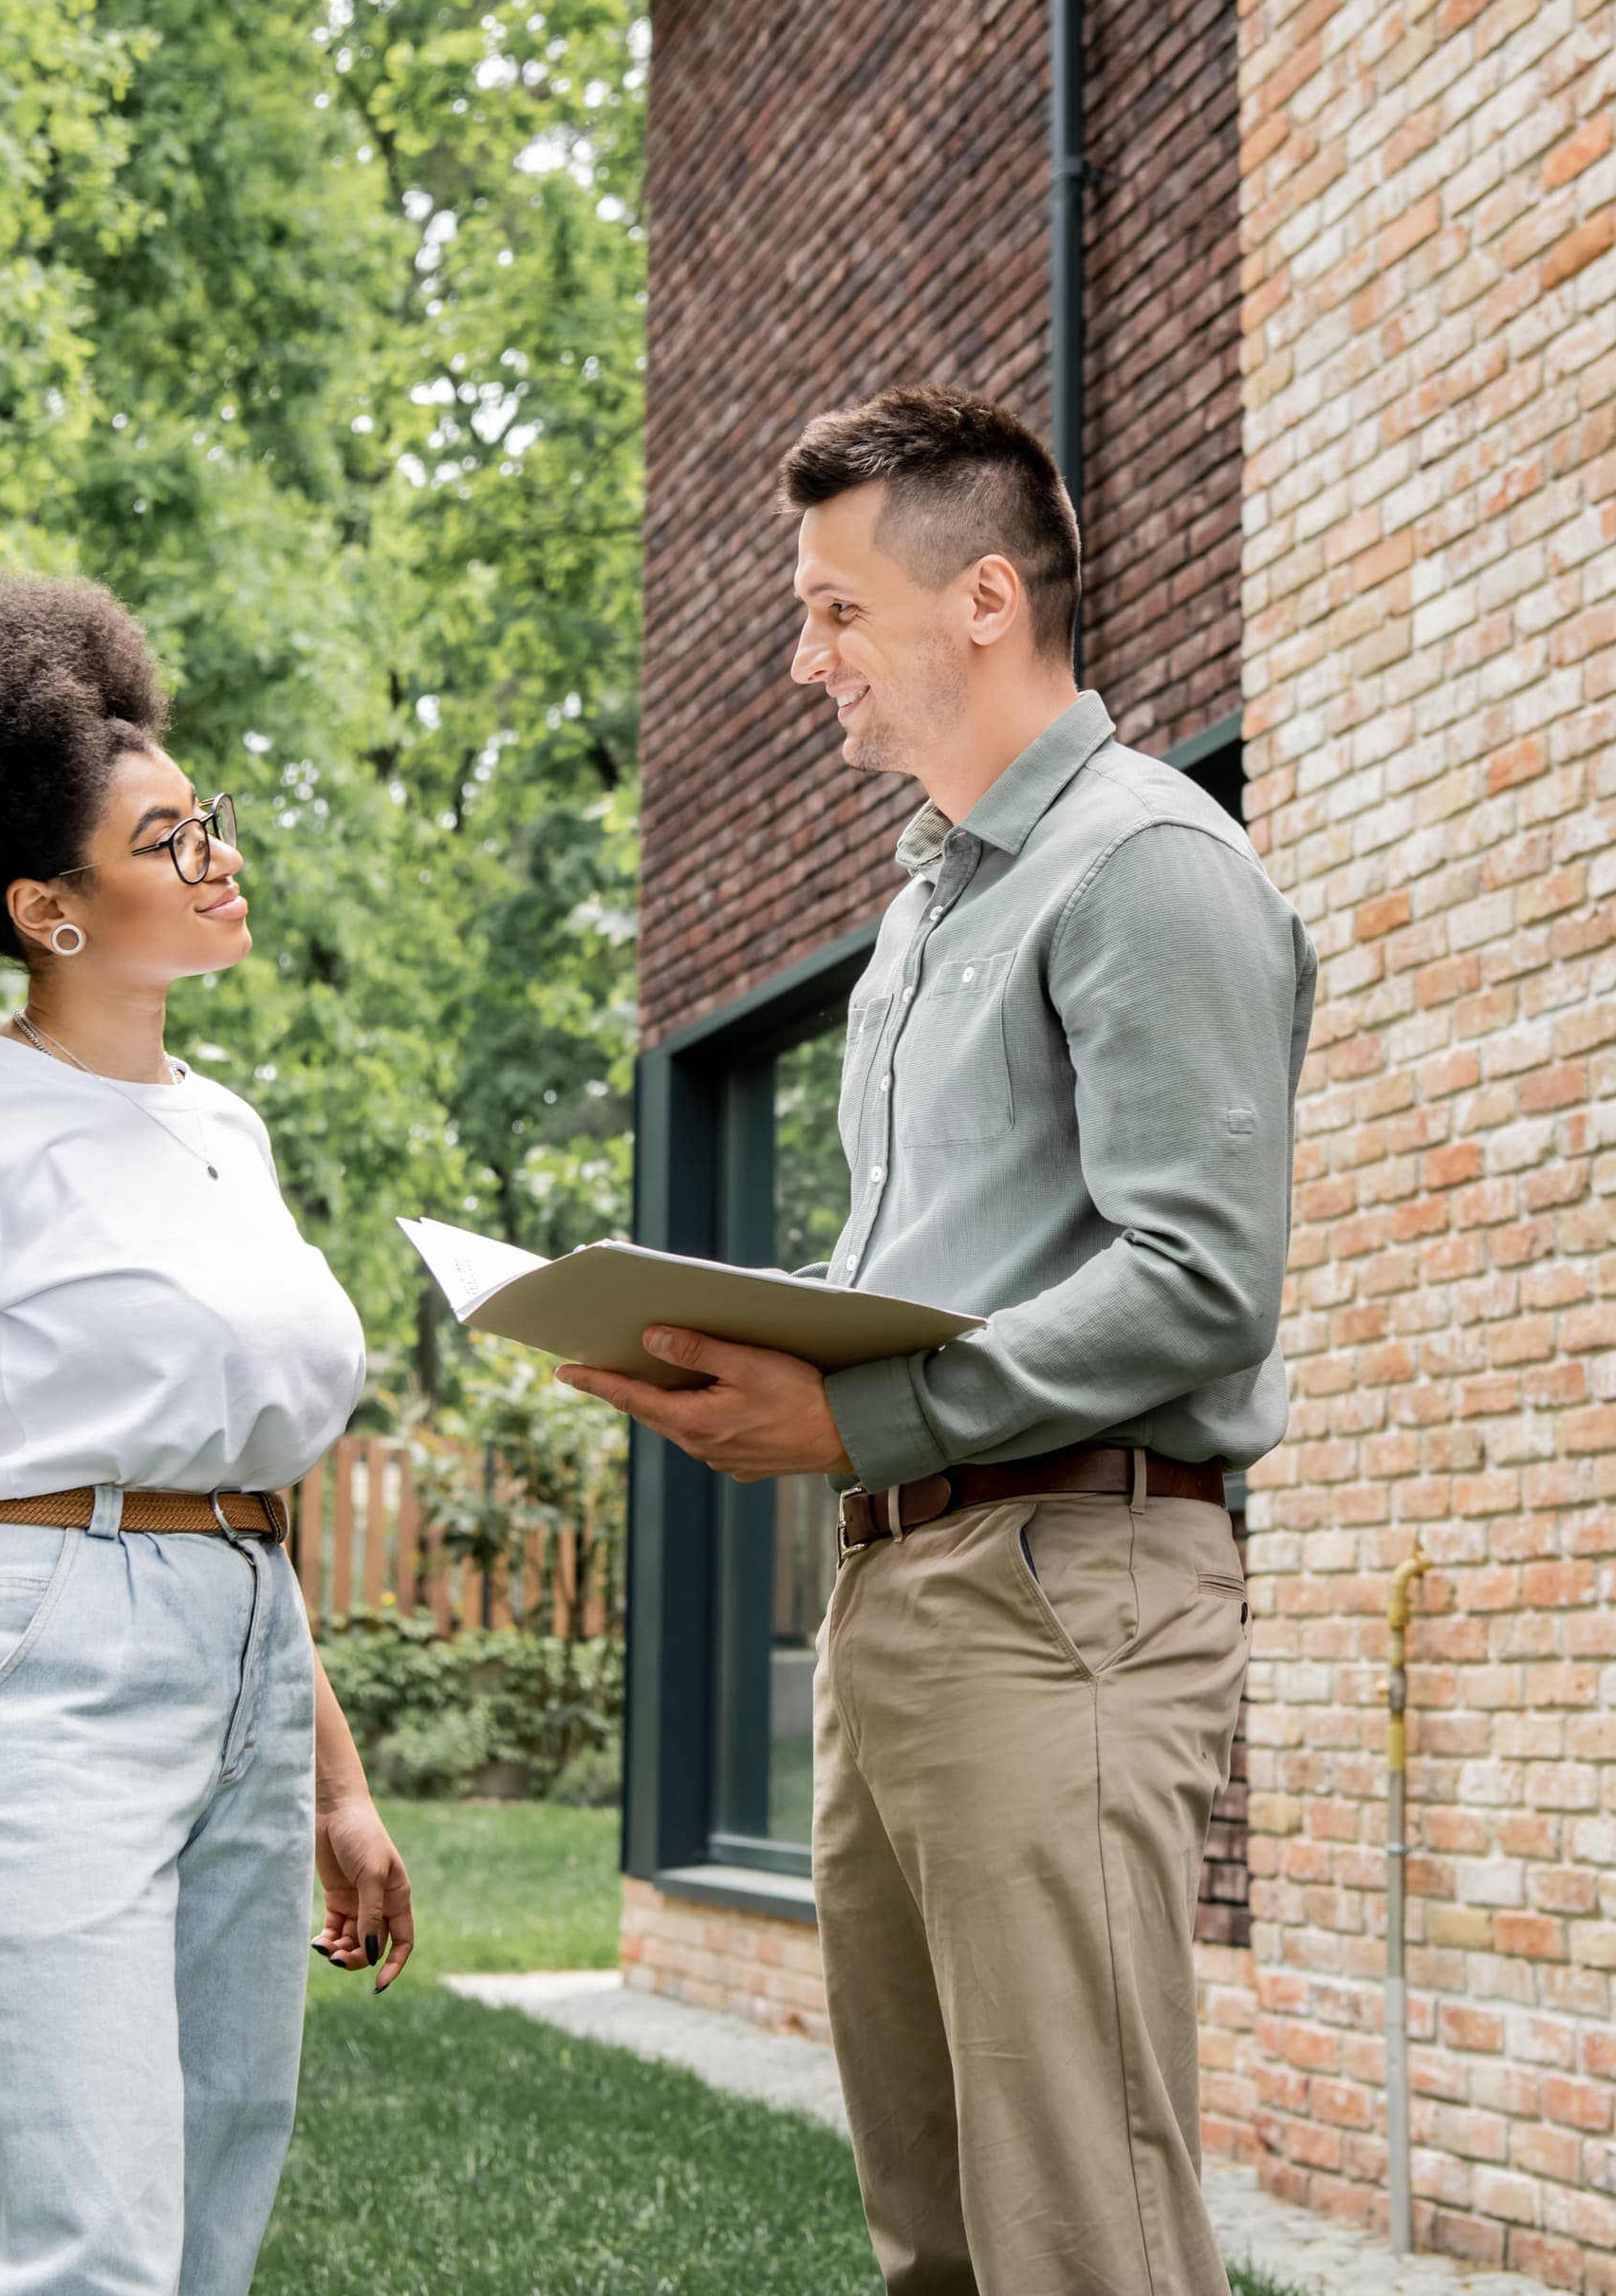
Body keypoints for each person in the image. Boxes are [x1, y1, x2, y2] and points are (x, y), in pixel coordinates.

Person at [560, 387, 1315, 2296]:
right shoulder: (924, 912)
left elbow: (1201, 1278)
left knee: (1079, 2220)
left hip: (1067, 1590)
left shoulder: (1146, 865)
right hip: (903, 1585)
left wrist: (856, 1402)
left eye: (834, 611)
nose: (803, 657)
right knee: (938, 2227)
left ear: (985, 598)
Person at [0, 575, 416, 2296]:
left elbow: (236, 1494)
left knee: (215, 2188)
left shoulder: (229, 1128)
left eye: (206, 816)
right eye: (166, 838)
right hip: (41, 1651)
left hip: (242, 1652)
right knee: (75, 2225)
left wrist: (337, 1791)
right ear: (47, 910)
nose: (217, 852)